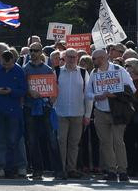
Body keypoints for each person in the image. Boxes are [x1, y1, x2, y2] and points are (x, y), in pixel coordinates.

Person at [85, 48, 136, 182]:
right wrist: (97, 96)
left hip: (117, 112)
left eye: (94, 58)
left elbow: (131, 89)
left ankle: (123, 171)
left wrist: (114, 95)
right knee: (105, 143)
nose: (93, 61)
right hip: (100, 112)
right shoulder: (94, 73)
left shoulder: (119, 70)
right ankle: (111, 170)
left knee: (118, 141)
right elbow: (88, 93)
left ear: (102, 58)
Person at [0, 50, 26, 178]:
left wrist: (11, 91)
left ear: (13, 61)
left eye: (8, 65)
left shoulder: (19, 71)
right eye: (4, 64)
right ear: (1, 60)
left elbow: (23, 90)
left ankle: (10, 169)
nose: (6, 67)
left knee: (12, 141)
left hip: (13, 110)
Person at [23, 44, 64, 179]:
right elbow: (22, 87)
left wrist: (52, 100)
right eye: (31, 50)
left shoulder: (48, 69)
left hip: (45, 108)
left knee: (52, 139)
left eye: (36, 50)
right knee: (32, 140)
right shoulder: (25, 69)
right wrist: (29, 91)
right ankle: (37, 170)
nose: (33, 53)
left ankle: (58, 171)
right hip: (30, 108)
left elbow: (55, 88)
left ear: (41, 52)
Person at [54, 47, 91, 179]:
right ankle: (61, 169)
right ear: (64, 58)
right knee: (61, 142)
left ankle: (71, 169)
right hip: (60, 113)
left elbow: (88, 96)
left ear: (77, 58)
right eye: (69, 57)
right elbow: (52, 92)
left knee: (74, 143)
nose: (71, 59)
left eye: (74, 57)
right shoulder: (57, 72)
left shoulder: (83, 73)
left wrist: (87, 115)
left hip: (78, 113)